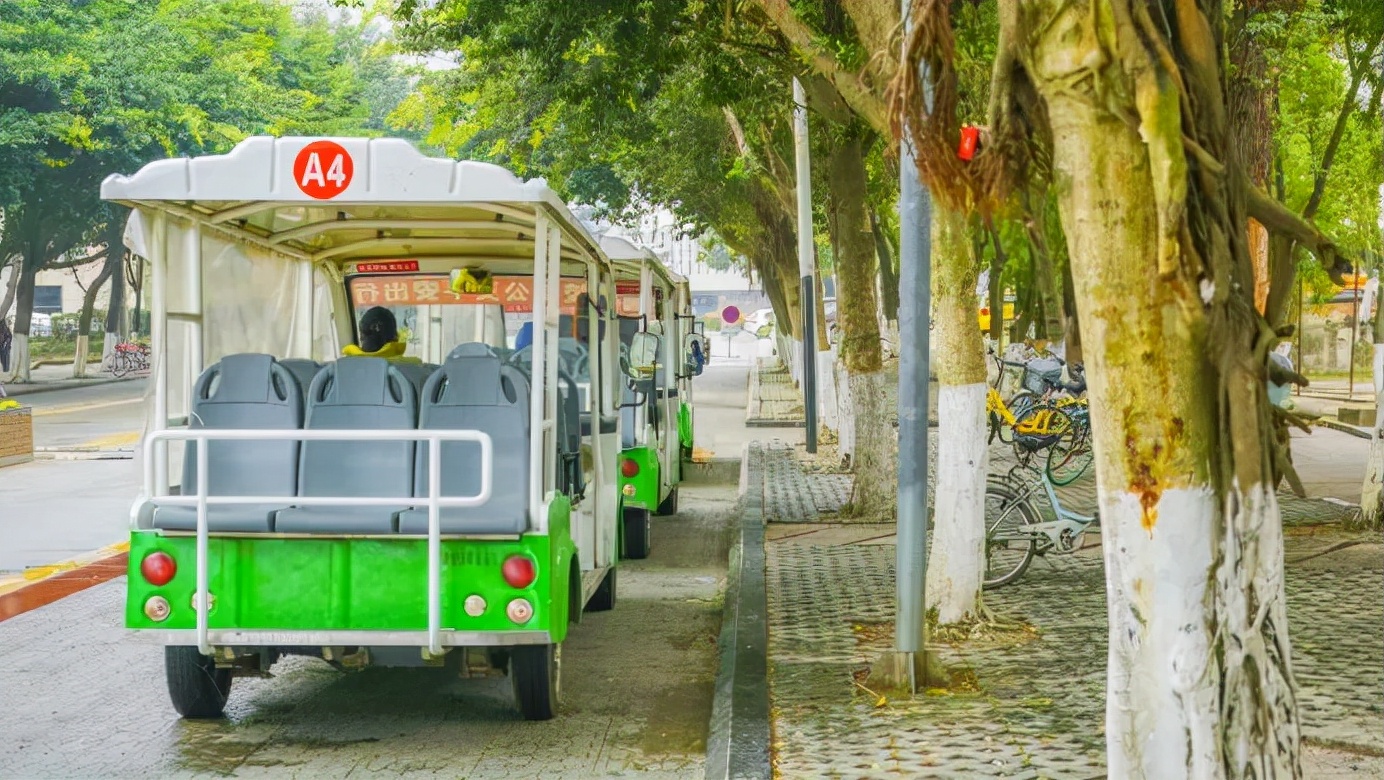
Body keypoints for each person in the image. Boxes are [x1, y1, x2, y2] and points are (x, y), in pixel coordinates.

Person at [342, 306, 409, 359]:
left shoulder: (342, 368)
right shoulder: (412, 366)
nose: (360, 338)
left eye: (361, 333)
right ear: (395, 336)